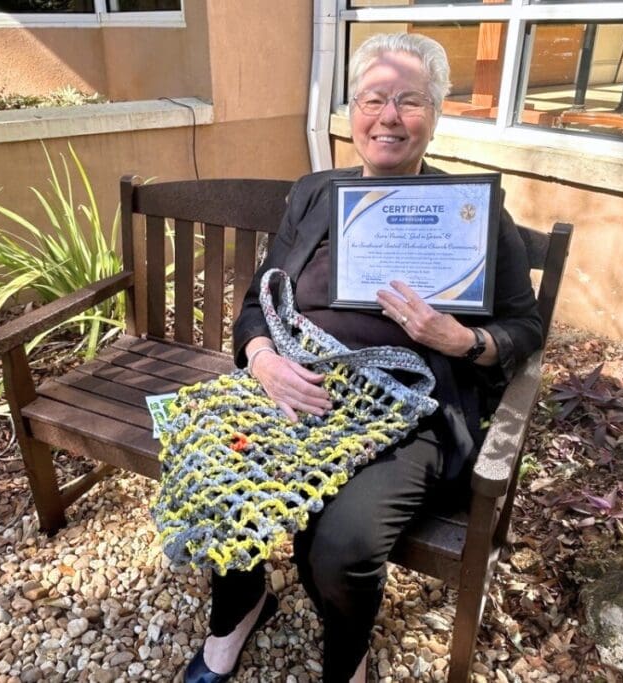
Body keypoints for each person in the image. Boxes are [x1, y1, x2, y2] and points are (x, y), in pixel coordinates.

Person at [182, 32, 542, 683]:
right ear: (352, 109)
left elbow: (526, 326)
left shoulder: (474, 213)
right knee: (215, 477)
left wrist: (463, 341)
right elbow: (256, 304)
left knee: (340, 546)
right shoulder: (316, 194)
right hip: (294, 390)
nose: (389, 116)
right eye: (373, 99)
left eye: (409, 100)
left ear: (436, 111)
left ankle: (347, 658)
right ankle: (241, 606)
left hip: (406, 413)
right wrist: (261, 357)